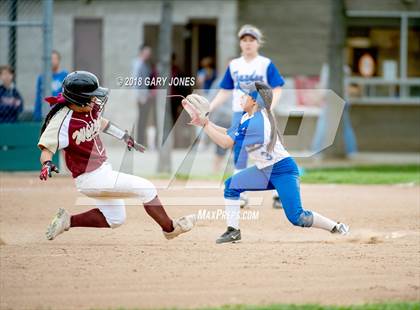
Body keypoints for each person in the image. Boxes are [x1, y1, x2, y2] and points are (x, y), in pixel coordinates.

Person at [183, 81, 349, 244]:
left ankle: (336, 227)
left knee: (297, 217)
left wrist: (205, 124)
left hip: (283, 170)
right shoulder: (248, 116)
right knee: (231, 185)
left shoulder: (257, 123)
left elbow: (226, 143)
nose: (241, 97)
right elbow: (229, 132)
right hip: (264, 170)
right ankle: (233, 231)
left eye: (246, 95)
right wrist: (206, 122)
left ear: (254, 101)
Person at [38, 71, 196, 241]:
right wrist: (47, 163)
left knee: (115, 219)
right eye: (91, 96)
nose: (95, 99)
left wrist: (125, 137)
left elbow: (102, 123)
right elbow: (46, 148)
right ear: (77, 99)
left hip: (102, 171)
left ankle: (67, 221)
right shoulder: (61, 122)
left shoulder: (89, 107)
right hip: (90, 178)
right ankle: (170, 228)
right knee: (146, 188)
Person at [209, 25, 284, 208]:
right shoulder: (234, 65)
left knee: (269, 149)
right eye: (244, 40)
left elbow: (277, 88)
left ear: (258, 43)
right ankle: (241, 193)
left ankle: (279, 194)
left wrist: (269, 107)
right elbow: (225, 90)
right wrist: (210, 107)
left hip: (261, 112)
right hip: (239, 112)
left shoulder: (265, 63)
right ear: (240, 43)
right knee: (239, 150)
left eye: (252, 40)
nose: (248, 43)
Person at [33, 50, 68, 121]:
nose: (53, 61)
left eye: (55, 59)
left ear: (59, 60)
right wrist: (37, 114)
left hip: (59, 112)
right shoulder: (42, 77)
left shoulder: (64, 75)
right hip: (45, 112)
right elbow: (38, 96)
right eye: (51, 59)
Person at [132, 44, 154, 146]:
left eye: (149, 53)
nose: (148, 55)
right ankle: (140, 142)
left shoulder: (145, 64)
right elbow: (136, 82)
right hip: (142, 98)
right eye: (146, 53)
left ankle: (141, 141)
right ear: (141, 52)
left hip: (146, 97)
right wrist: (140, 97)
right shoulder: (138, 64)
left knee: (144, 120)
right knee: (142, 120)